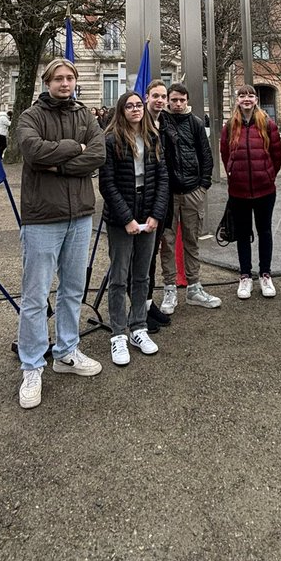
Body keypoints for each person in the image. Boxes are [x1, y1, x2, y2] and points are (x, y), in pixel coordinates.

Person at [16, 58, 106, 409]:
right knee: (35, 296)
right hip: (42, 218)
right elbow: (32, 151)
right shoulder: (30, 117)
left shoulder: (86, 117)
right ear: (47, 82)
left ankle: (67, 351)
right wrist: (74, 149)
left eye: (70, 78)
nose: (65, 83)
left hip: (80, 215)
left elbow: (97, 155)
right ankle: (32, 365)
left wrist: (58, 163)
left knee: (73, 288)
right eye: (59, 78)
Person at [98, 91, 170, 366]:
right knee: (119, 276)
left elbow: (163, 177)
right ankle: (118, 333)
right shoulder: (111, 140)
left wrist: (156, 215)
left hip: (148, 209)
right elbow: (108, 183)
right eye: (129, 106)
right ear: (122, 110)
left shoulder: (153, 137)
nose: (135, 110)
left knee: (142, 275)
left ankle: (138, 326)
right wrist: (127, 218)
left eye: (139, 105)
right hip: (121, 215)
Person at [158, 82, 220, 312]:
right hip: (169, 195)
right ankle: (169, 289)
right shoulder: (160, 122)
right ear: (167, 100)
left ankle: (194, 286)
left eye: (181, 100)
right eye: (173, 99)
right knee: (168, 242)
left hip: (193, 191)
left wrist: (203, 185)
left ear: (187, 100)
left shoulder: (195, 122)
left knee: (192, 241)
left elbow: (205, 154)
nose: (177, 104)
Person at [220, 85, 281, 299]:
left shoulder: (268, 124)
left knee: (265, 231)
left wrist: (268, 176)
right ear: (237, 100)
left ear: (255, 99)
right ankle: (245, 275)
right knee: (243, 234)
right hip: (238, 191)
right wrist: (233, 173)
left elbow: (277, 156)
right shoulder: (229, 126)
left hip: (264, 189)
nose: (246, 99)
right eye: (242, 95)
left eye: (250, 95)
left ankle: (265, 274)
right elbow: (225, 153)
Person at [142, 80, 174, 330]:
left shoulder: (168, 124)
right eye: (156, 96)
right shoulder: (137, 122)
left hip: (164, 196)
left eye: (163, 96)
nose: (160, 100)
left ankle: (149, 301)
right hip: (144, 198)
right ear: (147, 97)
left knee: (153, 252)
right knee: (143, 256)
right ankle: (140, 305)